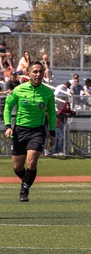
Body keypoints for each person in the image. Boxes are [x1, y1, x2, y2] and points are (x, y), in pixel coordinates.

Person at [3, 61, 56, 202]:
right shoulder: (19, 90)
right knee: (17, 166)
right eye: (35, 72)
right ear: (28, 73)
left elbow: (51, 113)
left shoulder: (48, 92)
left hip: (37, 131)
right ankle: (27, 180)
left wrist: (52, 133)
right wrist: (8, 126)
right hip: (19, 130)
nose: (38, 74)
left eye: (40, 72)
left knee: (31, 162)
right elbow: (8, 107)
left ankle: (24, 189)